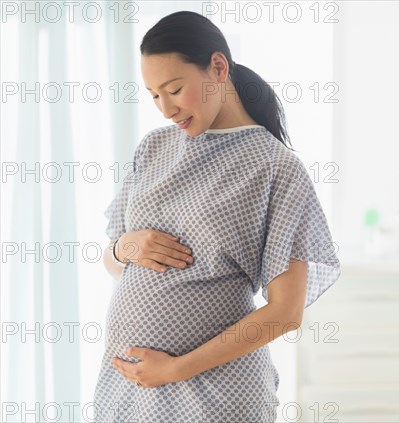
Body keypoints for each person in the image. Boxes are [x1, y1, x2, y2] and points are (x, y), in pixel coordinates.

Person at [92, 10, 341, 423]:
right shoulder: (153, 149)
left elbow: (285, 313)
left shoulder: (275, 169)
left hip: (216, 395)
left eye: (174, 89)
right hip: (129, 389)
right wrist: (123, 247)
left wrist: (174, 369)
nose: (165, 109)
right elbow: (115, 263)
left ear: (218, 67)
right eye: (154, 95)